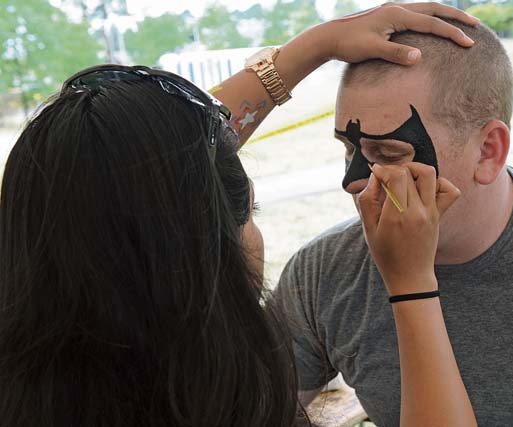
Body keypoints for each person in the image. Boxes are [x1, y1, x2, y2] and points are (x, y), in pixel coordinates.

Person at [0, 4, 480, 427]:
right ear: (191, 261)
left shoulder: (38, 360)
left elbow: (143, 170)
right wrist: (411, 282)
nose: (354, 181)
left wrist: (316, 45)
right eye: (251, 210)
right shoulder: (210, 396)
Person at [275, 18, 513, 427]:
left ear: (488, 150)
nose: (353, 182)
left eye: (389, 153)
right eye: (348, 150)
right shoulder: (322, 272)